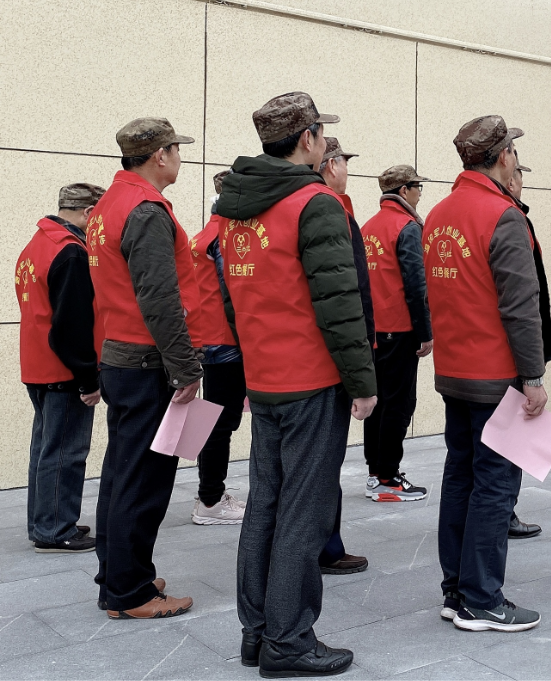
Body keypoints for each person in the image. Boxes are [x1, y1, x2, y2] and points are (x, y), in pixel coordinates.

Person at [218, 92, 377, 677]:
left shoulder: (236, 210)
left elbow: (232, 298)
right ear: (307, 139)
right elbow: (339, 303)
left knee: (266, 504)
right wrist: (362, 382)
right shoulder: (315, 203)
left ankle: (258, 633)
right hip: (310, 380)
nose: (324, 142)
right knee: (303, 513)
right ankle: (288, 641)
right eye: (321, 133)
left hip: (265, 377)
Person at [427, 115, 546, 632]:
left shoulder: (439, 213)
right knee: (495, 486)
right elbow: (521, 307)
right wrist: (533, 376)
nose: (516, 158)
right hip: (495, 375)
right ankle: (481, 599)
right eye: (513, 150)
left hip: (455, 370)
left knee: (461, 477)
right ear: (502, 157)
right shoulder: (502, 215)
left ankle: (456, 590)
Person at [89, 118, 203, 619]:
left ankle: (119, 574)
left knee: (122, 473)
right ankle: (130, 591)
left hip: (121, 356)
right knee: (143, 480)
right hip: (147, 359)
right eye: (177, 149)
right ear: (160, 154)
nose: (179, 158)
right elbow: (159, 298)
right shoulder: (146, 209)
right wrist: (185, 368)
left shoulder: (109, 205)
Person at [17, 183, 104, 554]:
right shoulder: (71, 253)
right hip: (62, 369)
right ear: (89, 213)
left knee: (45, 448)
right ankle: (55, 528)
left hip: (38, 364)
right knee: (66, 452)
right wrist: (88, 378)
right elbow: (72, 325)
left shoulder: (36, 245)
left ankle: (44, 521)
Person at [315, 137, 373, 576]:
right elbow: (349, 296)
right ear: (330, 164)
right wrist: (361, 373)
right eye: (344, 162)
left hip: (275, 364)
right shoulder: (330, 211)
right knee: (322, 463)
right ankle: (325, 548)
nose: (347, 170)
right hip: (323, 361)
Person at [359, 164, 433, 503]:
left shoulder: (368, 227)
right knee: (399, 404)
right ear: (404, 190)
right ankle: (388, 477)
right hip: (399, 330)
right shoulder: (407, 227)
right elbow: (416, 286)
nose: (420, 193)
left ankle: (376, 473)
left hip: (373, 330)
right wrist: (425, 332)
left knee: (377, 401)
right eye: (418, 187)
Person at [189, 169, 246, 526]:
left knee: (210, 419)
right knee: (220, 423)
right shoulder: (227, 235)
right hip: (226, 340)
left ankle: (207, 493)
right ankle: (210, 500)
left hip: (205, 337)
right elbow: (232, 292)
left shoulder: (204, 233)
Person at [503, 163, 551, 540]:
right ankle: (504, 511)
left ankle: (500, 511)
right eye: (520, 174)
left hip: (463, 364)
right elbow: (522, 302)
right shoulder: (511, 220)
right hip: (506, 358)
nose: (521, 182)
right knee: (506, 449)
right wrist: (533, 373)